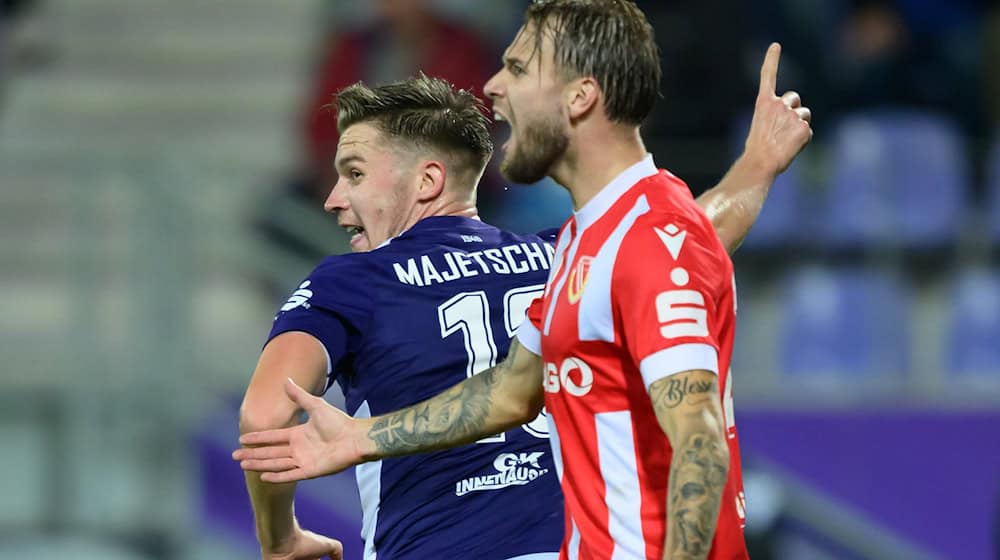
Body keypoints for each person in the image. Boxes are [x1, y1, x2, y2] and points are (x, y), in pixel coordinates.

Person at [236, 4, 812, 560]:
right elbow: (509, 391)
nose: (492, 86)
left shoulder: (353, 278)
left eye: (516, 69)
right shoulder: (568, 252)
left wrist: (281, 537)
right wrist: (363, 438)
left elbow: (699, 442)